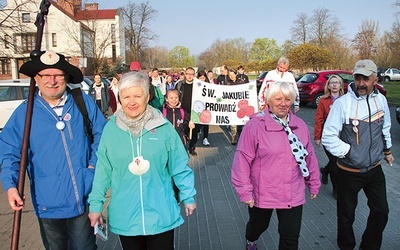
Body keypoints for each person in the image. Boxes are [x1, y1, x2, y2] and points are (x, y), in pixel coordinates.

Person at [0, 50, 107, 249]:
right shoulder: (25, 111)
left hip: (82, 196)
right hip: (47, 200)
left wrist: (92, 167)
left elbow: (103, 135)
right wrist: (11, 186)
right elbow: (9, 151)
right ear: (36, 78)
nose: (52, 81)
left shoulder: (81, 103)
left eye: (58, 75)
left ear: (66, 77)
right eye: (45, 75)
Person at [88, 71, 196, 250]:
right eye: (126, 96)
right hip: (126, 214)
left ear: (147, 97)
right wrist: (96, 204)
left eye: (137, 96)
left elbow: (178, 165)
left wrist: (188, 195)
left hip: (160, 212)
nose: (132, 102)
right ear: (120, 99)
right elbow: (103, 171)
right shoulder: (111, 130)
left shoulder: (163, 127)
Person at [231, 81, 320, 250]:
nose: (283, 103)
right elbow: (241, 160)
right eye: (278, 99)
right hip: (263, 191)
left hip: (292, 191)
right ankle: (251, 238)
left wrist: (313, 182)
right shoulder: (255, 125)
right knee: (258, 226)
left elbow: (308, 157)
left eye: (287, 99)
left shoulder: (299, 125)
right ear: (269, 101)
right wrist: (245, 191)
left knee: (290, 237)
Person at [321, 59, 394, 250]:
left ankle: (369, 246)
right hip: (348, 171)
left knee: (381, 211)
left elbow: (385, 127)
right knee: (346, 215)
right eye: (357, 78)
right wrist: (350, 152)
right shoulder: (342, 104)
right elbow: (328, 137)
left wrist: (387, 151)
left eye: (366, 79)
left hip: (374, 170)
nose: (361, 83)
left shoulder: (381, 100)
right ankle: (346, 246)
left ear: (375, 79)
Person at [314, 75, 344, 199]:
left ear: (341, 85)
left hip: (343, 135)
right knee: (335, 162)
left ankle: (325, 171)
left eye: (337, 82)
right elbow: (319, 119)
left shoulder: (346, 99)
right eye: (332, 83)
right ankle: (336, 188)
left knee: (337, 161)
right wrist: (317, 136)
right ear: (328, 85)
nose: (334, 85)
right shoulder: (323, 100)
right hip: (328, 136)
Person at [175, 67, 199, 156]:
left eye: (192, 74)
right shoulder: (180, 85)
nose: (190, 76)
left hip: (195, 111)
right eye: (188, 74)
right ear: (185, 74)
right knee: (183, 129)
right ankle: (183, 147)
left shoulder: (198, 85)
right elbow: (175, 95)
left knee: (195, 130)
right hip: (182, 111)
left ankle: (192, 147)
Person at [228, 68, 245, 145]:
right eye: (229, 75)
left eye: (232, 75)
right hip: (232, 106)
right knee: (232, 123)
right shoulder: (228, 83)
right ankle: (233, 138)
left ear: (235, 74)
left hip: (240, 105)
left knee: (240, 123)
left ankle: (241, 137)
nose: (231, 76)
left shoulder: (241, 83)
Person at [197, 70, 211, 146]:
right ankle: (198, 132)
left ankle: (205, 138)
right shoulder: (195, 86)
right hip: (198, 106)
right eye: (200, 78)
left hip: (206, 107)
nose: (202, 80)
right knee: (198, 122)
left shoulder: (209, 86)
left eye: (203, 78)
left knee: (206, 122)